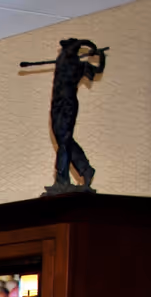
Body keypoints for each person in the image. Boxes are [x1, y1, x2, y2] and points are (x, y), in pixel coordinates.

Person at [23, 39, 108, 192]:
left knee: (63, 142)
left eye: (67, 50)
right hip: (56, 104)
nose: (63, 52)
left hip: (68, 105)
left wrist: (101, 57)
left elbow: (98, 70)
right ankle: (85, 169)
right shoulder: (62, 64)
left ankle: (62, 180)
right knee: (63, 139)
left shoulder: (79, 66)